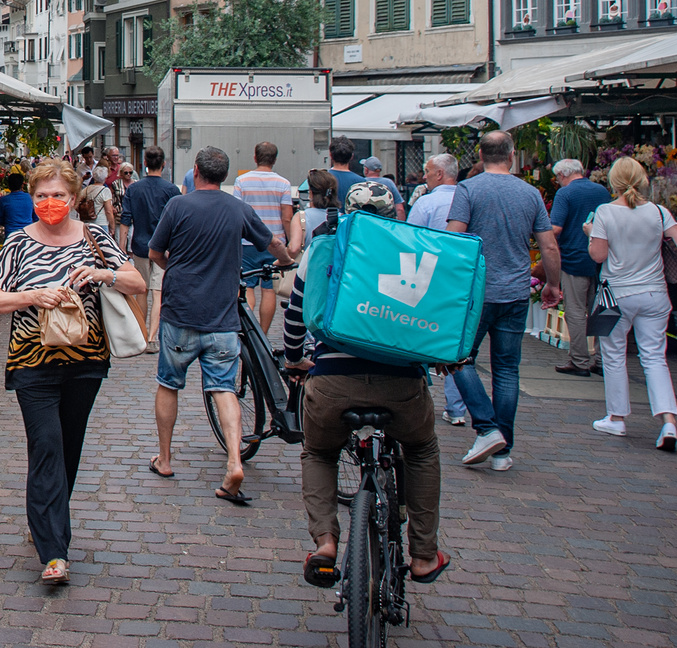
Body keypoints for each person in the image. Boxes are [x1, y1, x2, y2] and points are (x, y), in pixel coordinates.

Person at [0, 160, 147, 585]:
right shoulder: (17, 243)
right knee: (48, 445)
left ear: (73, 199)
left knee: (68, 449)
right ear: (32, 199)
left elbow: (137, 283)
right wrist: (34, 295)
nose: (49, 203)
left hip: (86, 362)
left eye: (58, 195)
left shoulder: (96, 238)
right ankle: (55, 551)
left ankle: (47, 516)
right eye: (41, 196)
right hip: (31, 362)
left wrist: (102, 272)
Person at [284, 180, 451, 588]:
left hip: (332, 380)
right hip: (402, 381)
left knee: (320, 453)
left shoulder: (326, 245)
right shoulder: (416, 248)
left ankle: (325, 542)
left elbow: (296, 313)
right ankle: (424, 554)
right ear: (395, 212)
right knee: (422, 448)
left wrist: (294, 359)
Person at [147, 147, 292, 501]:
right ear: (224, 175)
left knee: (169, 383)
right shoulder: (238, 209)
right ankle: (233, 461)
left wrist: (176, 268)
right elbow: (270, 242)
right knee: (224, 387)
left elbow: (154, 252)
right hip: (222, 316)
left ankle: (164, 459)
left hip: (181, 312)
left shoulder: (178, 206)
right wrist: (287, 259)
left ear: (195, 171)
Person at [446, 130, 562, 471]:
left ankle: (486, 426)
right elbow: (549, 246)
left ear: (481, 156)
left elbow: (454, 238)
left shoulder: (468, 189)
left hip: (476, 291)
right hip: (514, 292)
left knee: (457, 356)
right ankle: (502, 451)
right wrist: (552, 284)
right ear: (511, 155)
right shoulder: (530, 193)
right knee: (507, 370)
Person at [588, 157, 677, 452]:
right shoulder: (659, 212)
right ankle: (668, 421)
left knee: (614, 355)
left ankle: (617, 417)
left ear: (613, 181)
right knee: (655, 358)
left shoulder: (605, 212)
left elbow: (597, 256)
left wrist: (589, 234)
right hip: (654, 294)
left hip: (617, 295)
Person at [407, 153, 468, 426]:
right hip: (461, 280)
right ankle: (456, 408)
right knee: (457, 343)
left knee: (421, 334)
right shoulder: (468, 199)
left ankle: (416, 394)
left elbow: (409, 242)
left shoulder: (427, 202)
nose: (425, 176)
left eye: (428, 171)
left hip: (429, 280)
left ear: (440, 174)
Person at [549, 158, 611, 377]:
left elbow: (555, 228)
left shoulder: (565, 194)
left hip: (574, 257)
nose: (558, 182)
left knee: (575, 311)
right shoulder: (602, 191)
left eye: (557, 178)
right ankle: (604, 360)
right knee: (600, 309)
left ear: (563, 175)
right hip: (600, 258)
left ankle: (579, 360)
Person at [119, 149, 181, 353]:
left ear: (145, 163)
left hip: (140, 245)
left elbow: (125, 221)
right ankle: (153, 337)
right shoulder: (171, 190)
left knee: (141, 291)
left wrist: (120, 249)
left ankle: (142, 333)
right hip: (164, 248)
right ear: (163, 164)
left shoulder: (134, 190)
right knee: (158, 292)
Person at [233, 142, 296, 334]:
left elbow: (237, 212)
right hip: (274, 243)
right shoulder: (283, 183)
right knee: (269, 290)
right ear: (275, 159)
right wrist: (290, 239)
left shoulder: (241, 181)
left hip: (247, 243)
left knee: (248, 288)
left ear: (255, 157)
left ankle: (250, 332)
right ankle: (264, 333)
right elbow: (287, 216)